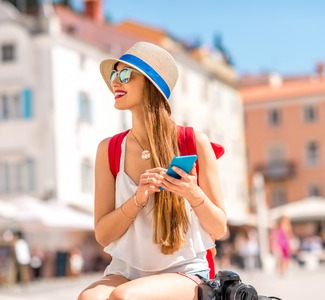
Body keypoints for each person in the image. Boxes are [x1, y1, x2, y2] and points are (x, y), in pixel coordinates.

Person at [78, 42, 227, 300]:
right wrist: (137, 199)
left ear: (150, 84)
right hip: (126, 269)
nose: (116, 82)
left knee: (124, 298)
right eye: (114, 74)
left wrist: (193, 194)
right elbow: (103, 235)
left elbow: (219, 227)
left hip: (185, 270)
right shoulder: (109, 149)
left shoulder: (193, 141)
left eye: (125, 75)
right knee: (88, 298)